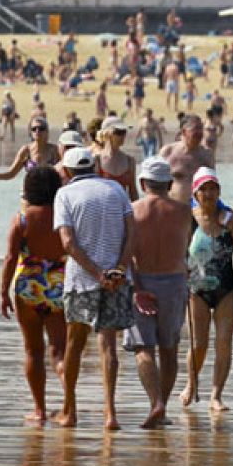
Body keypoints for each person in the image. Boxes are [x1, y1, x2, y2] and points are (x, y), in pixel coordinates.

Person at [53, 147, 134, 430]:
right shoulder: (117, 190)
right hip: (117, 278)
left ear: (67, 171)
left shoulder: (64, 194)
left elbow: (68, 243)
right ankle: (110, 413)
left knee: (74, 345)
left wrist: (98, 274)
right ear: (95, 166)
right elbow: (132, 234)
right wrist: (118, 270)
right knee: (108, 346)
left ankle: (69, 410)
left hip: (81, 280)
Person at [125, 156, 193, 429]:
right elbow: (188, 246)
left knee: (143, 347)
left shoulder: (132, 210)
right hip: (175, 282)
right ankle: (161, 406)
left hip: (142, 280)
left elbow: (126, 254)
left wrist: (136, 287)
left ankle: (156, 403)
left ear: (143, 183)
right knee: (169, 348)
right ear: (169, 182)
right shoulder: (185, 211)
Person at [0, 165, 68, 424]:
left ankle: (39, 410)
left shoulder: (23, 219)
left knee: (32, 351)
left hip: (28, 287)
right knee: (59, 350)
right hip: (58, 287)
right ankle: (69, 404)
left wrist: (3, 292)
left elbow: (9, 257)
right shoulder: (63, 216)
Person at [179, 168, 233, 411]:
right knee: (199, 344)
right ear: (195, 193)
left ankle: (216, 395)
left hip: (226, 288)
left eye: (213, 188)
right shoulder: (189, 216)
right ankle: (191, 383)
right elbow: (181, 253)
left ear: (219, 191)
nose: (208, 193)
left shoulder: (229, 215)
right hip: (196, 288)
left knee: (223, 342)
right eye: (203, 189)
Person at [0, 119, 61, 188]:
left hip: (50, 192)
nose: (37, 131)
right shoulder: (26, 150)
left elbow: (62, 173)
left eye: (41, 128)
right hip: (30, 192)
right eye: (34, 129)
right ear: (31, 132)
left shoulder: (54, 150)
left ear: (47, 131)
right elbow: (11, 173)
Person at [159, 114, 215, 203]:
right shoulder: (168, 152)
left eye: (201, 128)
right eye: (195, 129)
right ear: (184, 131)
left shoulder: (207, 154)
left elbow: (213, 186)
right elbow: (156, 183)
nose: (199, 132)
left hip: (199, 209)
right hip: (173, 207)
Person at [93, 117, 138, 202]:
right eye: (119, 132)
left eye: (124, 132)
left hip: (123, 212)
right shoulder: (96, 160)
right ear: (107, 133)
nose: (123, 136)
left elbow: (133, 192)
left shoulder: (130, 161)